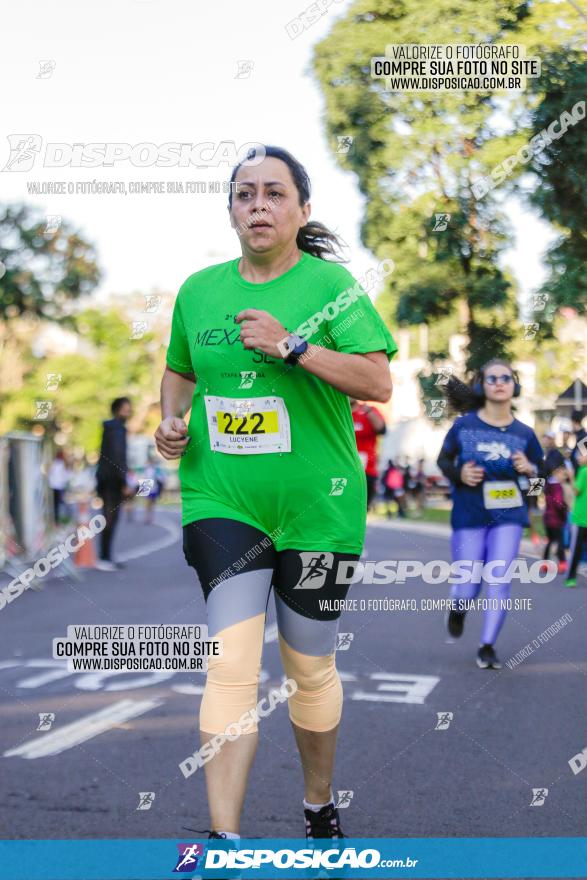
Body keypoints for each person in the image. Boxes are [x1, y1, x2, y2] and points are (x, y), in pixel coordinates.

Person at [154, 144, 397, 843]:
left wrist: (292, 346)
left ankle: (317, 800)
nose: (256, 205)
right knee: (230, 660)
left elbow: (377, 383)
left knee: (307, 662)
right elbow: (178, 372)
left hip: (318, 509)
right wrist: (170, 421)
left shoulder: (331, 290)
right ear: (230, 210)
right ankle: (223, 835)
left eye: (272, 194)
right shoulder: (199, 290)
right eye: (243, 194)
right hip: (221, 498)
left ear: (301, 210)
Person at [437, 360, 544, 670]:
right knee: (469, 582)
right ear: (482, 384)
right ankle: (458, 607)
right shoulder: (464, 425)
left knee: (498, 579)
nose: (499, 382)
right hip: (469, 513)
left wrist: (531, 469)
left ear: (515, 386)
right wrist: (459, 473)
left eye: (506, 378)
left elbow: (541, 480)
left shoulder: (525, 433)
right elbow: (443, 461)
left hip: (509, 513)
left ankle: (487, 646)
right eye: (492, 378)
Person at [95, 397, 133, 571]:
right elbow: (117, 457)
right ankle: (104, 557)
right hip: (112, 481)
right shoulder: (117, 429)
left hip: (106, 479)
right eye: (126, 409)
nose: (129, 412)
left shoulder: (111, 428)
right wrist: (124, 481)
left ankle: (106, 555)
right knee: (110, 518)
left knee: (109, 518)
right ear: (117, 410)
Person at [350, 398, 386, 510]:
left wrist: (369, 412)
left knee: (363, 508)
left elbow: (382, 429)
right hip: (344, 469)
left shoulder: (368, 411)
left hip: (367, 471)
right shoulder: (338, 411)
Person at [540, 465, 568, 575]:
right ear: (556, 472)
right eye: (563, 474)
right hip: (556, 519)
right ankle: (562, 563)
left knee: (550, 541)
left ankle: (545, 564)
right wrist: (564, 512)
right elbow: (559, 504)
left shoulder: (548, 484)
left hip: (547, 517)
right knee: (560, 541)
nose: (564, 477)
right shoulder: (557, 486)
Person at [565, 453, 587, 587]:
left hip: (580, 518)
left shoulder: (583, 471)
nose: (579, 458)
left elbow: (577, 491)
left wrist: (571, 477)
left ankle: (571, 578)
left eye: (582, 456)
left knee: (576, 550)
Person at [48, 449, 71, 524]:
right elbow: (66, 476)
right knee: (59, 504)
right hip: (59, 486)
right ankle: (58, 520)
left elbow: (50, 475)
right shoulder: (62, 464)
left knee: (56, 504)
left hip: (54, 486)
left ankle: (57, 520)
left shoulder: (55, 464)